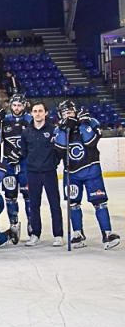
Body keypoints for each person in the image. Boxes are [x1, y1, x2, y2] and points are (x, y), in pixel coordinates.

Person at [52, 100, 120, 250]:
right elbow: (61, 148)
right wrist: (65, 129)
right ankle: (78, 234)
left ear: (75, 112)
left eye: (70, 112)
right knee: (73, 204)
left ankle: (107, 233)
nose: (67, 115)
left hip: (91, 171)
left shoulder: (90, 122)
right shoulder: (58, 130)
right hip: (71, 174)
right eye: (64, 113)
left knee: (99, 202)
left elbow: (91, 142)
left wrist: (82, 123)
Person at [21, 101, 63, 246]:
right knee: (34, 205)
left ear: (45, 113)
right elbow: (24, 151)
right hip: (32, 173)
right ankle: (35, 234)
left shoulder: (53, 130)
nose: (37, 113)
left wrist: (52, 164)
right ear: (31, 113)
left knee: (54, 204)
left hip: (49, 172)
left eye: (40, 111)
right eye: (35, 111)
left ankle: (58, 235)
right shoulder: (26, 132)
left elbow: (58, 151)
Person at [0, 94, 32, 239]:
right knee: (10, 196)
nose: (17, 108)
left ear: (24, 105)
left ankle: (32, 224)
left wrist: (22, 153)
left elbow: (33, 140)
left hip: (25, 164)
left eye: (19, 105)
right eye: (14, 105)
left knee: (28, 196)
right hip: (8, 164)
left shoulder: (29, 120)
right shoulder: (4, 120)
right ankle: (13, 224)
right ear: (10, 106)